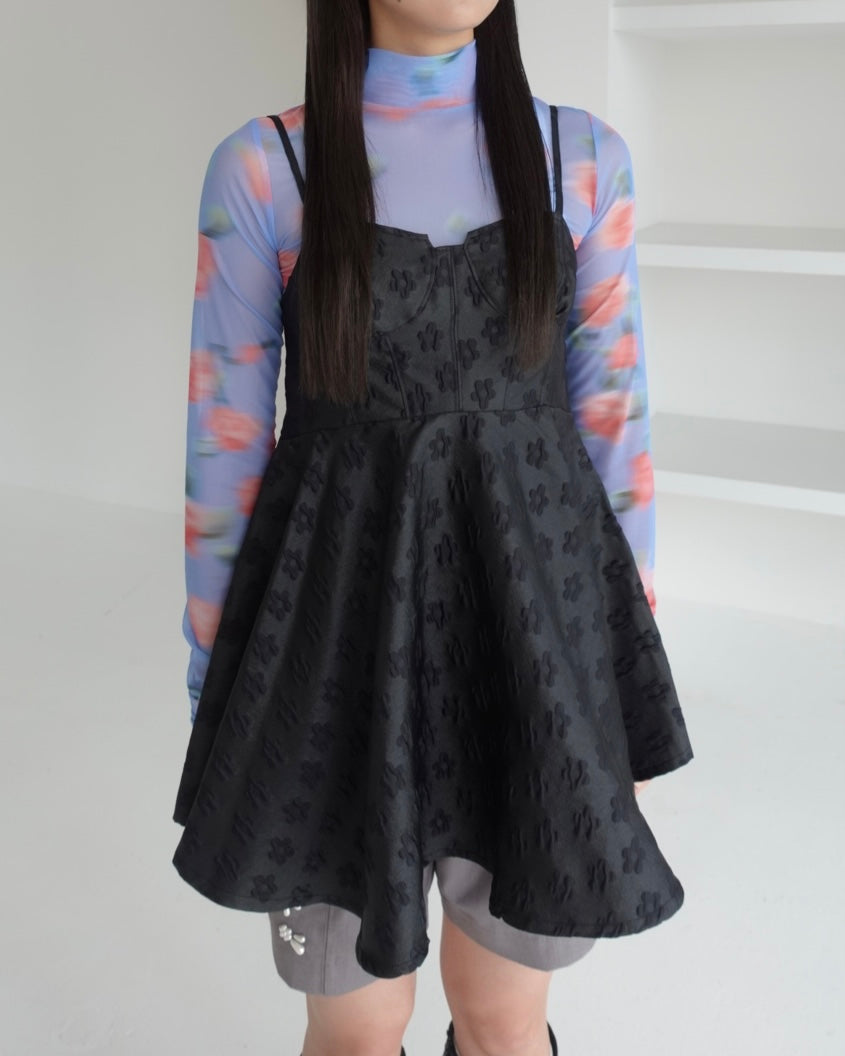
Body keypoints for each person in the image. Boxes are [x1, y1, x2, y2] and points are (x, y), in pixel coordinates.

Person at [171, 3, 695, 1055]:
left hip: (528, 648)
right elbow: (222, 451)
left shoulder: (582, 158)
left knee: (504, 1021)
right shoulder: (264, 169)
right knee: (356, 1030)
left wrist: (612, 687)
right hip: (330, 653)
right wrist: (217, 693)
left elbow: (612, 427)